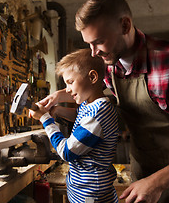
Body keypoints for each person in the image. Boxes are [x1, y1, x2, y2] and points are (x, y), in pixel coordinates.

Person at [39, 0, 169, 203]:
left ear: (125, 26)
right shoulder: (111, 68)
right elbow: (96, 103)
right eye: (89, 44)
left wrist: (157, 182)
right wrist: (60, 97)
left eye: (99, 42)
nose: (93, 53)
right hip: (141, 180)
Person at [29, 48, 119, 203]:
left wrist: (46, 120)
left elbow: (67, 152)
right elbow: (80, 118)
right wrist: (57, 111)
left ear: (92, 77)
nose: (68, 90)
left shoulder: (97, 114)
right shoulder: (91, 104)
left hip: (91, 193)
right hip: (83, 188)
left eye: (70, 82)